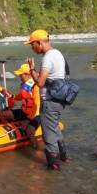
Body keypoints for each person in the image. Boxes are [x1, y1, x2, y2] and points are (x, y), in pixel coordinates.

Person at [25, 29, 69, 170]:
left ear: (39, 42)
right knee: (55, 129)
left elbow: (40, 83)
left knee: (49, 136)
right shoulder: (58, 54)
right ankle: (64, 156)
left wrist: (32, 70)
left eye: (33, 45)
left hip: (49, 102)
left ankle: (54, 166)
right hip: (59, 100)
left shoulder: (48, 57)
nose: (32, 48)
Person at [1, 64, 41, 148]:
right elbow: (22, 96)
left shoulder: (35, 86)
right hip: (24, 112)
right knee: (4, 114)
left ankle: (36, 148)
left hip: (35, 115)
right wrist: (12, 96)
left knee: (29, 131)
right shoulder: (24, 84)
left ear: (28, 74)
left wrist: (28, 119)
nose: (19, 76)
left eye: (21, 74)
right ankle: (9, 135)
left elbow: (37, 105)